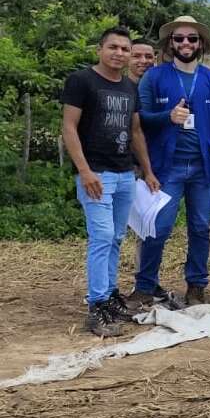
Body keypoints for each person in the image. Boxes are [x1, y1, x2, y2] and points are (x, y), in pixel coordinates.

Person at [61, 27, 160, 336]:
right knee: (102, 236)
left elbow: (135, 132)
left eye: (124, 49)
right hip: (97, 173)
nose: (119, 53)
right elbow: (68, 127)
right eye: (113, 47)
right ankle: (96, 305)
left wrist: (147, 170)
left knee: (116, 236)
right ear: (99, 49)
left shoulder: (130, 87)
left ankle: (110, 295)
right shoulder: (81, 81)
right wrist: (85, 170)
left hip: (124, 173)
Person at [133, 15, 210, 308]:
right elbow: (140, 120)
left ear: (201, 44)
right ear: (170, 43)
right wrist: (168, 117)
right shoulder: (155, 77)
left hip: (204, 167)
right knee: (157, 228)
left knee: (200, 228)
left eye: (192, 38)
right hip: (166, 168)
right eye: (179, 39)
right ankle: (144, 286)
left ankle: (196, 286)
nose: (186, 43)